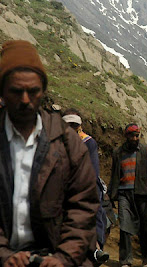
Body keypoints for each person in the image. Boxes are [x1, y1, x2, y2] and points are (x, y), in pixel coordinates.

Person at [0, 40, 99, 266]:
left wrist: (63, 258)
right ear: (3, 91)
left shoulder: (67, 142)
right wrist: (5, 255)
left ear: (43, 90)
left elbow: (83, 206)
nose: (25, 100)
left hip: (57, 255)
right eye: (16, 91)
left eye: (33, 91)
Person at [62, 109, 109, 265]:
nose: (71, 128)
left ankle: (96, 247)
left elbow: (93, 171)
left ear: (79, 126)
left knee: (94, 210)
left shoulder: (89, 142)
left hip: (85, 183)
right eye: (68, 125)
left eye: (74, 125)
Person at [108, 123, 147, 267]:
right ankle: (125, 260)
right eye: (132, 135)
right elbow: (114, 176)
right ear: (126, 136)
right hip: (124, 194)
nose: (135, 138)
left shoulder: (145, 151)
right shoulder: (118, 153)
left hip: (141, 194)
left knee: (145, 228)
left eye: (137, 135)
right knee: (124, 227)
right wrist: (110, 193)